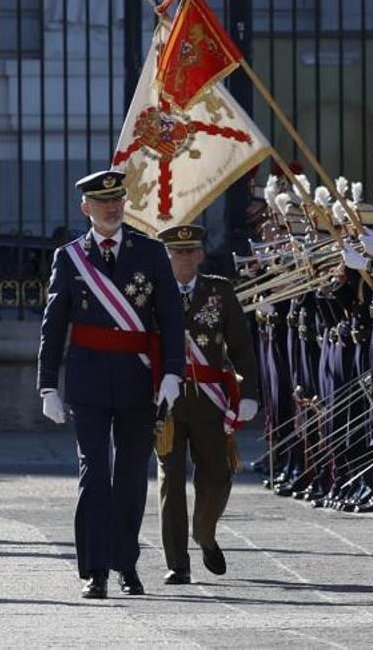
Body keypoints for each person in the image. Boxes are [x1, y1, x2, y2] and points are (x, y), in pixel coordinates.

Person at [37, 169, 185, 599]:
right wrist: (48, 385)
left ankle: (126, 563)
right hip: (88, 381)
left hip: (139, 378)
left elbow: (171, 316)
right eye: (102, 203)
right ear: (86, 208)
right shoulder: (70, 258)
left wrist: (173, 372)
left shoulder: (152, 253)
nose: (111, 207)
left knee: (131, 476)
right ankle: (94, 570)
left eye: (117, 200)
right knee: (94, 475)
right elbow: (54, 324)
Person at [156, 224, 259, 585]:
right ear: (165, 256)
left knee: (217, 473)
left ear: (200, 254)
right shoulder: (153, 292)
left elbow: (241, 346)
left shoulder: (219, 292)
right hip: (166, 400)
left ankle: (204, 533)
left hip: (210, 399)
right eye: (176, 252)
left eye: (190, 251)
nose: (183, 258)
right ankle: (177, 563)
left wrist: (249, 395)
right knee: (170, 478)